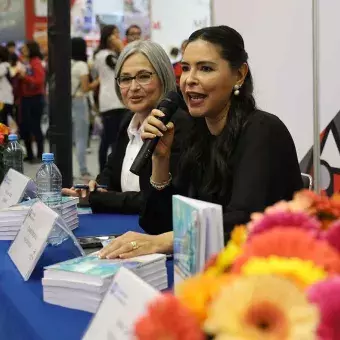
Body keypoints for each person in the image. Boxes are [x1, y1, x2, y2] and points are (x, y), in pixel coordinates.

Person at [98, 25, 303, 260]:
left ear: (239, 74)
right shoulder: (197, 132)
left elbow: (243, 222)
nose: (189, 80)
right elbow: (159, 224)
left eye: (205, 69)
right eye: (185, 69)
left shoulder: (263, 130)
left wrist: (164, 241)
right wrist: (160, 162)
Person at [62, 40, 190, 215]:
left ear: (163, 77)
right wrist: (94, 187)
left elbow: (149, 200)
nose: (133, 87)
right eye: (126, 79)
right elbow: (110, 172)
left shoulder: (176, 125)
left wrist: (98, 199)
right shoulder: (129, 120)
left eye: (144, 76)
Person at [93, 25, 127, 172]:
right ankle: (108, 172)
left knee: (109, 139)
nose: (118, 37)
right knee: (111, 140)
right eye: (115, 34)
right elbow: (123, 67)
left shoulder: (105, 54)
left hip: (115, 101)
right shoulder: (105, 55)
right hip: (112, 101)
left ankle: (108, 171)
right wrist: (121, 48)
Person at [71, 37, 99, 179]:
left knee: (72, 137)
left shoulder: (68, 64)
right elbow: (85, 87)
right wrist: (99, 81)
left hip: (67, 103)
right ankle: (83, 169)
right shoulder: (82, 65)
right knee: (81, 137)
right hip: (80, 102)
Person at [18, 41, 45, 162]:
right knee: (25, 127)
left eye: (25, 48)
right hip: (24, 98)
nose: (22, 50)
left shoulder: (36, 62)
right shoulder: (24, 62)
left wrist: (25, 78)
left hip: (35, 98)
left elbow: (39, 81)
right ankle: (30, 154)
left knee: (35, 126)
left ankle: (39, 155)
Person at [0, 46, 14, 125]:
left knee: (3, 124)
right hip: (6, 99)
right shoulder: (6, 65)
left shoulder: (3, 66)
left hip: (3, 100)